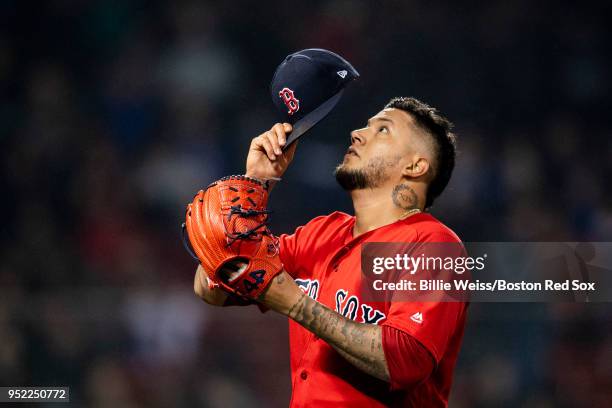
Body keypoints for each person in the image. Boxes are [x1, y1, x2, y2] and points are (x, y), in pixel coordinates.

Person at [194, 97, 467, 407]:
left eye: (383, 130)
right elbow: (211, 287)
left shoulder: (433, 245)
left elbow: (404, 360)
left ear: (415, 166)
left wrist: (296, 304)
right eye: (366, 125)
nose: (357, 133)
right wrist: (257, 184)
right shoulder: (321, 233)